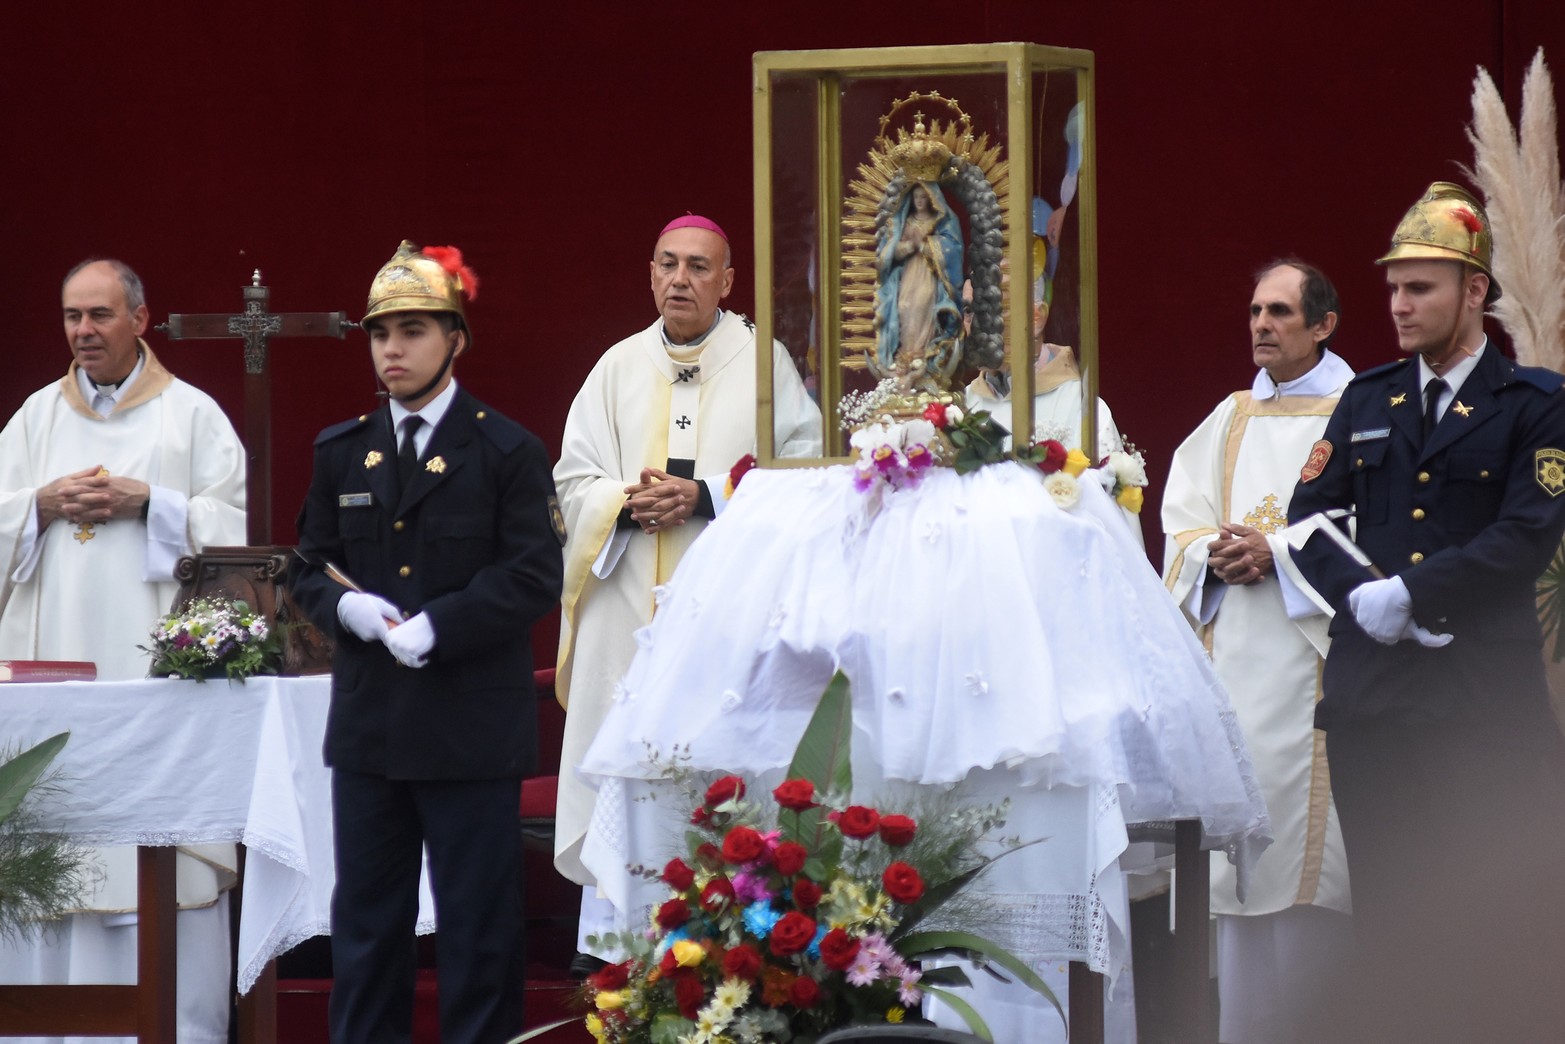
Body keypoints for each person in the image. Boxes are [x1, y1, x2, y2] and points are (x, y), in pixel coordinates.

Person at [1287, 183, 1565, 1041]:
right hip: (1374, 703)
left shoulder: (1535, 402)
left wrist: (1413, 594)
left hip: (1480, 706)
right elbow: (1306, 517)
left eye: (1419, 288)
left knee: (1491, 922)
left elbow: (1526, 533)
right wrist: (1363, 598)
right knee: (1387, 915)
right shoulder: (1369, 398)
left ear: (1473, 291)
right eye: (1393, 288)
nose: (1398, 306)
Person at [289, 241, 564, 1044]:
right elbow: (307, 564)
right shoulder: (343, 450)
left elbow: (532, 574)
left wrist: (442, 623)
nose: (392, 350)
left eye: (412, 331)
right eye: (380, 334)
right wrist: (349, 610)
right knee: (367, 929)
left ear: (455, 340)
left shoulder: (506, 449)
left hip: (469, 729)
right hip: (373, 728)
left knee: (479, 930)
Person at [553, 214, 821, 968]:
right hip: (627, 601)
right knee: (627, 762)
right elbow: (572, 480)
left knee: (718, 768)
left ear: (727, 281)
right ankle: (613, 937)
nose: (680, 279)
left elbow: (805, 473)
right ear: (650, 274)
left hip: (726, 612)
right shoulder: (617, 366)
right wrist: (623, 501)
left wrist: (703, 496)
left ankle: (731, 941)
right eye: (667, 264)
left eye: (699, 267)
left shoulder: (763, 364)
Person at [0, 258, 246, 1044]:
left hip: (154, 685)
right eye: (72, 316)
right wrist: (37, 506)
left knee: (153, 852)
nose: (83, 331)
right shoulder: (35, 419)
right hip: (52, 686)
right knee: (54, 843)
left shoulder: (193, 417)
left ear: (140, 319)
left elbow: (237, 539)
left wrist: (154, 504)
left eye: (99, 315)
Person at [1163, 260, 1354, 1042]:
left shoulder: (1358, 411)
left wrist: (1275, 552)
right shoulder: (1230, 416)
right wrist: (1214, 553)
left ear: (1322, 325)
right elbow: (1179, 522)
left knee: (1309, 880)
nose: (1261, 325)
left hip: (1313, 673)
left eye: (1278, 311)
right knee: (1234, 890)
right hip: (1233, 668)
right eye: (1253, 311)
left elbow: (1367, 528)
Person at [874, 181, 964, 382]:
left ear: (931, 199)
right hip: (909, 273)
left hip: (928, 273)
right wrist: (907, 247)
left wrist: (926, 245)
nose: (920, 201)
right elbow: (891, 251)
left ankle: (922, 353)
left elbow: (952, 248)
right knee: (904, 306)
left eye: (923, 197)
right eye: (916, 197)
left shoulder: (937, 221)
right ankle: (905, 354)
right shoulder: (905, 222)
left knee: (923, 305)